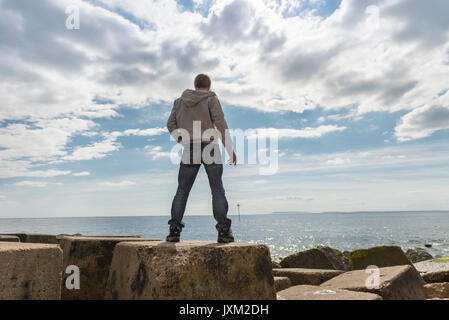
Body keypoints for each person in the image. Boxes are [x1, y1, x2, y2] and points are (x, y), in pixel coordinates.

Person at [166, 74, 237, 243]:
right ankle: (223, 231)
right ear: (209, 86)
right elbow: (220, 123)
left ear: (195, 85)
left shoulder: (180, 101)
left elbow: (170, 124)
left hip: (190, 147)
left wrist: (183, 140)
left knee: (182, 190)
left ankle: (174, 230)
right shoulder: (211, 98)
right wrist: (230, 149)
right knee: (217, 188)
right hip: (210, 145)